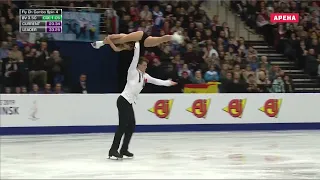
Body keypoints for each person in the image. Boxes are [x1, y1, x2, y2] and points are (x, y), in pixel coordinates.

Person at [107, 38, 177, 159]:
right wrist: (138, 42)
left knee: (132, 125)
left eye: (146, 65)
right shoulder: (132, 71)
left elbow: (157, 81)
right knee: (123, 126)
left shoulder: (145, 76)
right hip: (123, 100)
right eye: (144, 65)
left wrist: (168, 83)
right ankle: (113, 150)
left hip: (128, 102)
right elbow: (135, 57)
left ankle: (124, 149)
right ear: (139, 65)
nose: (146, 67)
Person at [91, 31, 183, 52]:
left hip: (140, 36)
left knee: (122, 38)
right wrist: (109, 41)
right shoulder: (122, 46)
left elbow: (113, 38)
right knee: (159, 40)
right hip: (143, 42)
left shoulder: (122, 37)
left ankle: (174, 36)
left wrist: (108, 40)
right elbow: (116, 50)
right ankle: (100, 43)